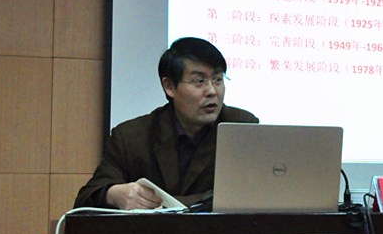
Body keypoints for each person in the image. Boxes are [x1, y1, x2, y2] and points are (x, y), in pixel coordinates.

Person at [74, 37, 258, 211]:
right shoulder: (131, 136)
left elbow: (256, 194)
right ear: (169, 86)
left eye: (217, 79)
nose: (211, 91)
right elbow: (85, 200)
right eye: (199, 81)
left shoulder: (242, 127)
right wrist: (112, 195)